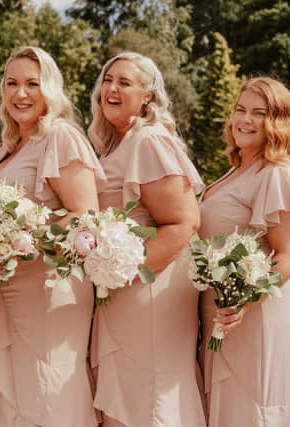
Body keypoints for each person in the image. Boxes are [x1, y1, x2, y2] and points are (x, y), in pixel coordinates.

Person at [0, 46, 105, 426]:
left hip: (52, 290)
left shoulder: (61, 137)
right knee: (25, 393)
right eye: (12, 83)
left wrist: (19, 241)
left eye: (32, 84)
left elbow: (85, 215)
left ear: (50, 89)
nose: (20, 94)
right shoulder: (8, 149)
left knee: (51, 390)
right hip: (16, 291)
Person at [198, 77, 290, 427]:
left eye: (259, 113)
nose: (245, 120)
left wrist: (244, 301)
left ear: (278, 123)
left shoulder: (277, 174)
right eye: (240, 110)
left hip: (264, 309)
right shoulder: (237, 169)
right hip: (229, 309)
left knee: (262, 406)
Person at [88, 52, 206, 426]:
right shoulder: (120, 143)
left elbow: (183, 223)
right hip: (125, 289)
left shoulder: (149, 141)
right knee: (129, 393)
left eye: (124, 82)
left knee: (150, 395)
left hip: (151, 290)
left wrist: (126, 271)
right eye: (108, 80)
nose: (111, 88)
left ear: (148, 95)